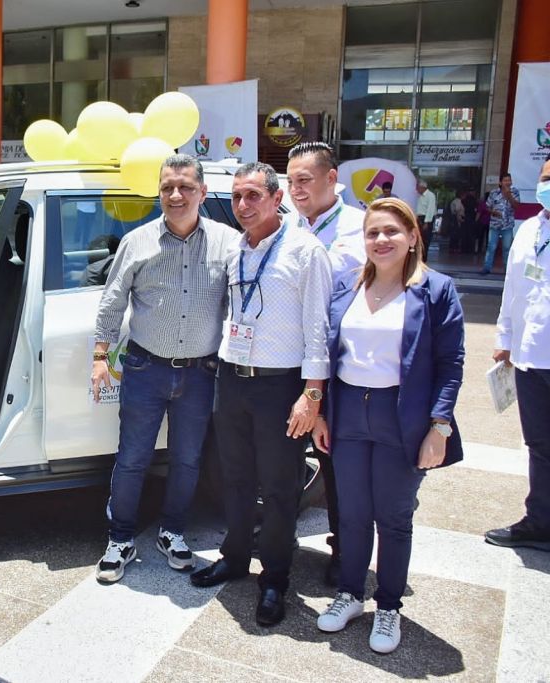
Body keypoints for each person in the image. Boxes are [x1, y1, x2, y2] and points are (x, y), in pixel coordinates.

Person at [312, 197, 465, 654]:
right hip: (347, 414)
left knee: (393, 518)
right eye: (373, 232)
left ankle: (389, 606)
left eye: (392, 232)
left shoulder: (435, 290)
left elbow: (450, 363)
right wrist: (320, 411)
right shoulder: (345, 285)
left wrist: (439, 427)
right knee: (352, 514)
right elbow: (325, 351)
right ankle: (350, 594)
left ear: (413, 236)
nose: (381, 240)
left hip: (402, 417)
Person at [189, 162, 332, 629]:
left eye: (253, 196)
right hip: (233, 378)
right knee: (233, 478)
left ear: (276, 198)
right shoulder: (237, 250)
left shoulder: (305, 251)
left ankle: (274, 578)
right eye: (236, 197)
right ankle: (234, 557)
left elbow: (318, 328)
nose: (243, 206)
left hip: (280, 385)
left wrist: (311, 395)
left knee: (278, 488)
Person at [92, 153, 236, 583]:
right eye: (168, 187)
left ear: (203, 193)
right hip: (145, 367)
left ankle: (173, 532)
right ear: (159, 192)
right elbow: (112, 304)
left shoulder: (229, 242)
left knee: (188, 459)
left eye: (186, 187)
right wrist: (100, 357)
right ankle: (120, 538)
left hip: (200, 372)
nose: (176, 195)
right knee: (133, 458)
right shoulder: (137, 242)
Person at [285, 141, 367, 586]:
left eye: (305, 180)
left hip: (338, 367)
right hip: (285, 360)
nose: (296, 189)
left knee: (337, 463)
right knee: (282, 455)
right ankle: (279, 539)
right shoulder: (283, 224)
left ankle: (344, 549)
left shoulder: (362, 228)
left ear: (331, 178)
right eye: (291, 181)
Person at [485, 156, 550, 552]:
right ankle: (539, 520)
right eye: (545, 177)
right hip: (530, 357)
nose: (548, 185)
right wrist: (504, 338)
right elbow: (513, 290)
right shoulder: (529, 229)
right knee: (540, 446)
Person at [482, 172, 521, 275]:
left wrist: (509, 196)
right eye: (505, 180)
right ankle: (487, 268)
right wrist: (493, 212)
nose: (508, 182)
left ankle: (507, 270)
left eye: (509, 180)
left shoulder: (515, 192)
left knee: (507, 248)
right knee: (491, 247)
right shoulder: (494, 193)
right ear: (500, 182)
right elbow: (487, 207)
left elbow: (517, 206)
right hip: (495, 224)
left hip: (507, 225)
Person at [414, 179, 436, 263]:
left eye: (418, 187)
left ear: (422, 187)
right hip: (420, 218)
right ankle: (419, 257)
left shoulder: (430, 196)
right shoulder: (420, 196)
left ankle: (424, 258)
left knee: (425, 240)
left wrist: (426, 222)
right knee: (419, 239)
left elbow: (430, 210)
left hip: (426, 219)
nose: (417, 189)